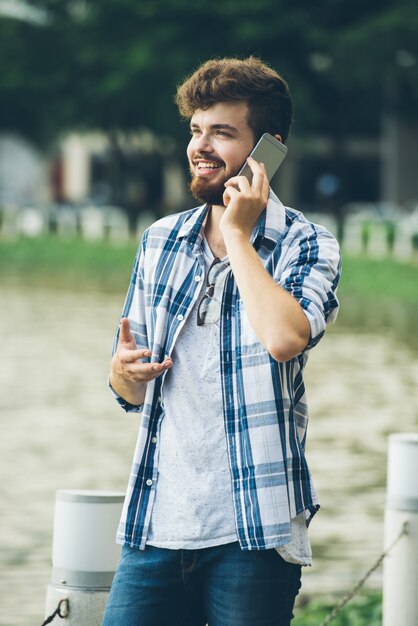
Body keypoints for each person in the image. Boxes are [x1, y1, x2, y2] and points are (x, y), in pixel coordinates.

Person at [102, 57, 341, 626]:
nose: (200, 147)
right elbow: (126, 391)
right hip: (156, 524)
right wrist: (124, 374)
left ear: (268, 150)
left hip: (253, 531)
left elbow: (285, 338)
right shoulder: (160, 240)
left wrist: (237, 233)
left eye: (222, 133)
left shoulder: (307, 244)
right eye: (195, 130)